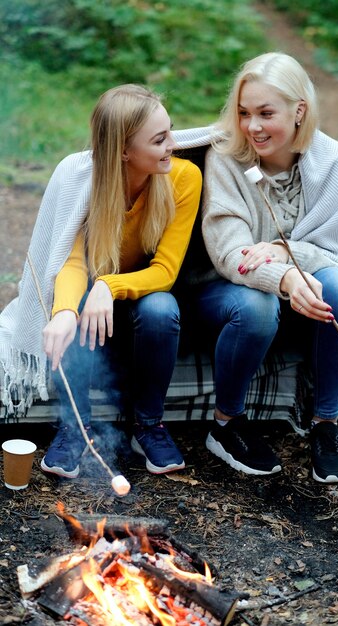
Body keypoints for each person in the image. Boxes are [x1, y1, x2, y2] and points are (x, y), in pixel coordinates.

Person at [0, 84, 202, 478]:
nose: (172, 146)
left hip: (142, 299)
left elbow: (166, 271)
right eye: (159, 139)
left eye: (171, 132)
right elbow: (72, 261)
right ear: (124, 151)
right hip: (90, 307)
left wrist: (109, 286)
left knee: (163, 308)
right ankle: (76, 428)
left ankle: (147, 426)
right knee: (68, 308)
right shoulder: (84, 182)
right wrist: (62, 313)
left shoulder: (184, 178)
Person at [195, 52, 338, 483]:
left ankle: (325, 423)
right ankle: (226, 423)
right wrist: (287, 276)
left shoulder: (332, 161)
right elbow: (230, 253)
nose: (252, 127)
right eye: (244, 113)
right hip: (225, 291)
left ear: (299, 111)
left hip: (302, 292)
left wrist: (283, 252)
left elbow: (336, 252)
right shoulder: (226, 157)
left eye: (266, 114)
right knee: (256, 305)